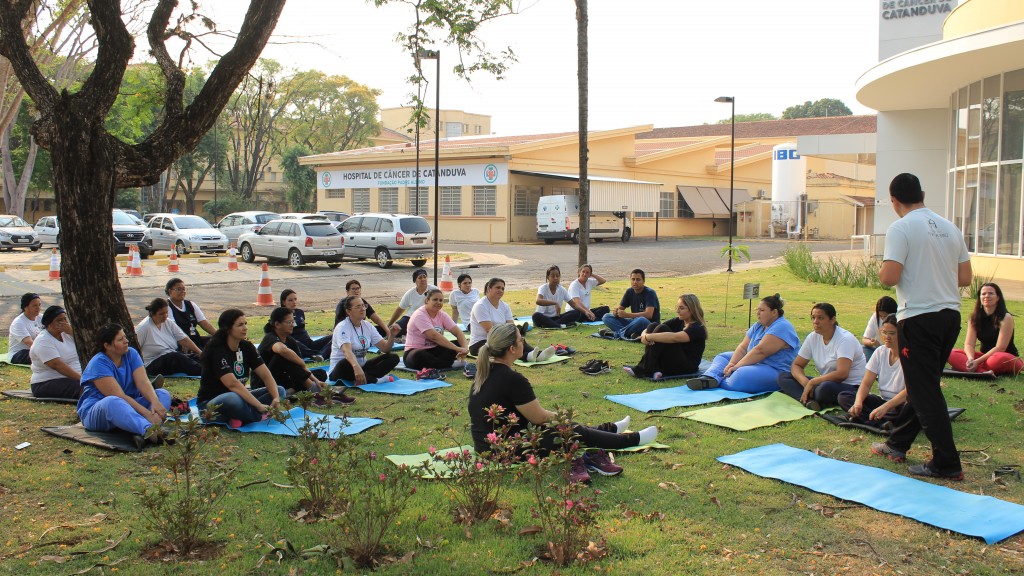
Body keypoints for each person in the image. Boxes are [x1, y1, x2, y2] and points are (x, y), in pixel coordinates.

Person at [873, 172, 972, 480]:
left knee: (925, 390)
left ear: (894, 201)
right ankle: (897, 443)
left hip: (919, 317)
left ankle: (946, 462)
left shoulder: (901, 227)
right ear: (922, 193)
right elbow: (965, 279)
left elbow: (889, 277)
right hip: (950, 316)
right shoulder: (949, 227)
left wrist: (884, 270)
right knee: (922, 385)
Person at [468, 324, 658, 483]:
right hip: (506, 449)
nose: (523, 343)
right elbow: (539, 417)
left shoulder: (485, 371)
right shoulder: (512, 378)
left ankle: (607, 429)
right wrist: (565, 419)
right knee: (570, 429)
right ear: (511, 349)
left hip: (487, 447)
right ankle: (631, 439)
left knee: (569, 427)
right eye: (520, 340)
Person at [77, 324, 172, 446]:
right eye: (120, 339)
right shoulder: (98, 363)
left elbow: (143, 382)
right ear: (107, 346)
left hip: (130, 405)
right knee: (113, 401)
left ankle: (142, 429)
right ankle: (150, 431)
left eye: (125, 337)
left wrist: (155, 402)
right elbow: (120, 396)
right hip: (101, 410)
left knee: (162, 394)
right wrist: (148, 414)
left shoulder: (131, 353)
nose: (126, 341)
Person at [687, 294, 800, 393]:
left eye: (762, 310)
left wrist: (736, 366)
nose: (758, 313)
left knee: (741, 374)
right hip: (755, 364)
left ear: (774, 312)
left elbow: (760, 351)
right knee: (722, 357)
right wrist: (730, 364)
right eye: (757, 310)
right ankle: (709, 377)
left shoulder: (782, 326)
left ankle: (717, 380)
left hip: (775, 370)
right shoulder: (759, 325)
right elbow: (742, 347)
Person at [197, 309, 286, 427]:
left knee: (279, 390)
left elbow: (265, 374)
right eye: (240, 325)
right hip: (212, 404)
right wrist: (258, 405)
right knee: (232, 398)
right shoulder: (217, 351)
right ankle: (258, 416)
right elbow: (232, 384)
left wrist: (275, 398)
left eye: (245, 324)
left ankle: (238, 417)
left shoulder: (246, 347)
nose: (245, 328)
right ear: (228, 329)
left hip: (241, 398)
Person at [777, 303, 867, 410]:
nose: (815, 321)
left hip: (849, 385)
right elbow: (796, 365)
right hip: (824, 382)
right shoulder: (812, 337)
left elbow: (842, 374)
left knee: (824, 389)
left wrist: (814, 382)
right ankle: (809, 401)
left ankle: (809, 398)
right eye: (813, 318)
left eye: (820, 318)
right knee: (783, 377)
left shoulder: (844, 339)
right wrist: (805, 382)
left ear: (832, 320)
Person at [839, 314, 910, 426]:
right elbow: (866, 383)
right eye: (884, 332)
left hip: (899, 404)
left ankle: (866, 419)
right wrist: (858, 403)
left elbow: (909, 391)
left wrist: (886, 407)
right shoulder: (880, 352)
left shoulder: (909, 356)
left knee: (909, 409)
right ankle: (880, 422)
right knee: (844, 397)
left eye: (892, 333)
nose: (887, 337)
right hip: (882, 401)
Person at [469, 277, 554, 362]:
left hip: (500, 338)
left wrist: (518, 337)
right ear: (489, 288)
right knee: (506, 345)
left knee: (517, 339)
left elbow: (511, 327)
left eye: (503, 288)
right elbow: (490, 330)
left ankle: (537, 354)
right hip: (480, 344)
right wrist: (508, 338)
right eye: (498, 288)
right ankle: (528, 356)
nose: (501, 290)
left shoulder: (505, 306)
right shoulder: (480, 306)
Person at [947, 282, 1023, 376]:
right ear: (980, 298)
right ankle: (982, 373)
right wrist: (971, 359)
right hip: (984, 358)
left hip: (1005, 357)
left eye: (991, 293)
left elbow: (1001, 348)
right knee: (950, 353)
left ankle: (972, 369)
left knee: (996, 359)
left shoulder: (1006, 318)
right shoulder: (974, 317)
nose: (987, 296)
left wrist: (977, 361)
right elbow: (969, 344)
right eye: (983, 294)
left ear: (998, 297)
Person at [624, 294, 707, 380]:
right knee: (653, 325)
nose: (678, 311)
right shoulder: (679, 321)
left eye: (681, 308)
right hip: (672, 361)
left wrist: (649, 337)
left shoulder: (697, 328)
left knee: (662, 329)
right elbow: (654, 327)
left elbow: (675, 338)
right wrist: (644, 335)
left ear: (692, 310)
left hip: (687, 367)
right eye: (677, 307)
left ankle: (644, 368)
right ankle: (654, 369)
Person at [253, 307, 328, 395]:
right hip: (264, 382)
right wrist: (301, 363)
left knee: (320, 373)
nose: (293, 325)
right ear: (277, 324)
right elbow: (281, 350)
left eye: (293, 322)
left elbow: (302, 369)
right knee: (284, 356)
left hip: (283, 377)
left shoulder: (291, 340)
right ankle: (310, 388)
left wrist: (316, 380)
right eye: (289, 322)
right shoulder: (270, 337)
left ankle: (291, 391)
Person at [330, 296, 400, 387]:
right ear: (348, 311)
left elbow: (385, 348)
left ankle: (364, 378)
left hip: (362, 367)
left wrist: (392, 336)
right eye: (358, 307)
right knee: (345, 363)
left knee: (393, 358)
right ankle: (375, 380)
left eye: (363, 306)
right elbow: (347, 352)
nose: (362, 309)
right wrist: (356, 367)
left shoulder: (368, 326)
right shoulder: (342, 327)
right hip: (343, 369)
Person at [402, 288, 470, 370]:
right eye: (435, 300)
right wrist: (457, 349)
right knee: (419, 355)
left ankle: (442, 363)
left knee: (457, 343)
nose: (438, 302)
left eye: (441, 300)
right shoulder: (419, 315)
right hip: (415, 351)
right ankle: (450, 364)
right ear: (427, 300)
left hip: (434, 349)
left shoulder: (442, 315)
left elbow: (458, 332)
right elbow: (433, 336)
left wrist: (464, 349)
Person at [135, 298, 203, 376]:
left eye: (166, 313)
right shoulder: (144, 328)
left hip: (171, 356)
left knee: (195, 357)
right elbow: (134, 349)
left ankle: (212, 368)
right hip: (152, 363)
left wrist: (200, 353)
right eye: (161, 314)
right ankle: (205, 372)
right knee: (175, 357)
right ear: (153, 313)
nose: (165, 316)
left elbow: (183, 339)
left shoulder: (168, 322)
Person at [29, 306, 82, 399]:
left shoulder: (67, 334)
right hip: (48, 381)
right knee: (88, 388)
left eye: (65, 319)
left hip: (74, 377)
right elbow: (57, 365)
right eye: (59, 320)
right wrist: (83, 379)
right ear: (49, 324)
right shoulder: (43, 340)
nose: (64, 323)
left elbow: (86, 346)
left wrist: (73, 332)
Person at [601, 268, 660, 339]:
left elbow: (648, 315)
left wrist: (627, 315)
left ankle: (616, 334)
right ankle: (631, 333)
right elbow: (620, 308)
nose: (635, 282)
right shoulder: (629, 291)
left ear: (643, 281)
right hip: (633, 323)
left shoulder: (650, 293)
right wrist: (616, 312)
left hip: (649, 324)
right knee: (607, 317)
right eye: (633, 279)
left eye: (638, 280)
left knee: (641, 320)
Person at [165, 278, 215, 350]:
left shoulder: (191, 304)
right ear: (170, 291)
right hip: (181, 344)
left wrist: (219, 335)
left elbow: (204, 323)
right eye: (179, 289)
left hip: (196, 340)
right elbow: (174, 329)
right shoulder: (167, 307)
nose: (182, 292)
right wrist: (185, 342)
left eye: (184, 289)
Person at [280, 289, 331, 359]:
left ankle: (321, 355)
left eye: (295, 299)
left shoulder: (299, 312)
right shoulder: (280, 315)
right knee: (295, 343)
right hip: (295, 344)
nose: (294, 302)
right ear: (284, 302)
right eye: (290, 300)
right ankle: (318, 354)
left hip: (309, 343)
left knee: (335, 336)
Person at [388, 269, 438, 339]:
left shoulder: (434, 290)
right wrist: (389, 324)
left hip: (426, 318)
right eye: (420, 277)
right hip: (410, 317)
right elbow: (400, 309)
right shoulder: (410, 293)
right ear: (415, 281)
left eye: (424, 277)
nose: (423, 279)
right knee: (394, 330)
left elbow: (438, 306)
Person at [531, 265, 580, 329]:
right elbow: (538, 301)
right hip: (544, 317)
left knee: (576, 312)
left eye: (557, 276)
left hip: (556, 318)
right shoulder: (543, 288)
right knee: (535, 315)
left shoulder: (562, 289)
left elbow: (574, 304)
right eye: (553, 276)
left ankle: (552, 325)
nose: (555, 278)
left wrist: (586, 311)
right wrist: (555, 303)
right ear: (548, 277)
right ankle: (560, 326)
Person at [8, 292, 43, 364]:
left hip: (37, 350)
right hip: (20, 353)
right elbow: (29, 343)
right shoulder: (18, 322)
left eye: (39, 305)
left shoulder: (41, 317)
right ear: (25, 307)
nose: (38, 308)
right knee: (45, 356)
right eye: (34, 306)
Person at [861, 296, 897, 361]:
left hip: (894, 352)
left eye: (885, 316)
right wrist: (872, 343)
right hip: (878, 350)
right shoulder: (875, 317)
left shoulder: (898, 321)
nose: (883, 319)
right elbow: (864, 339)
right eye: (880, 316)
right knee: (863, 349)